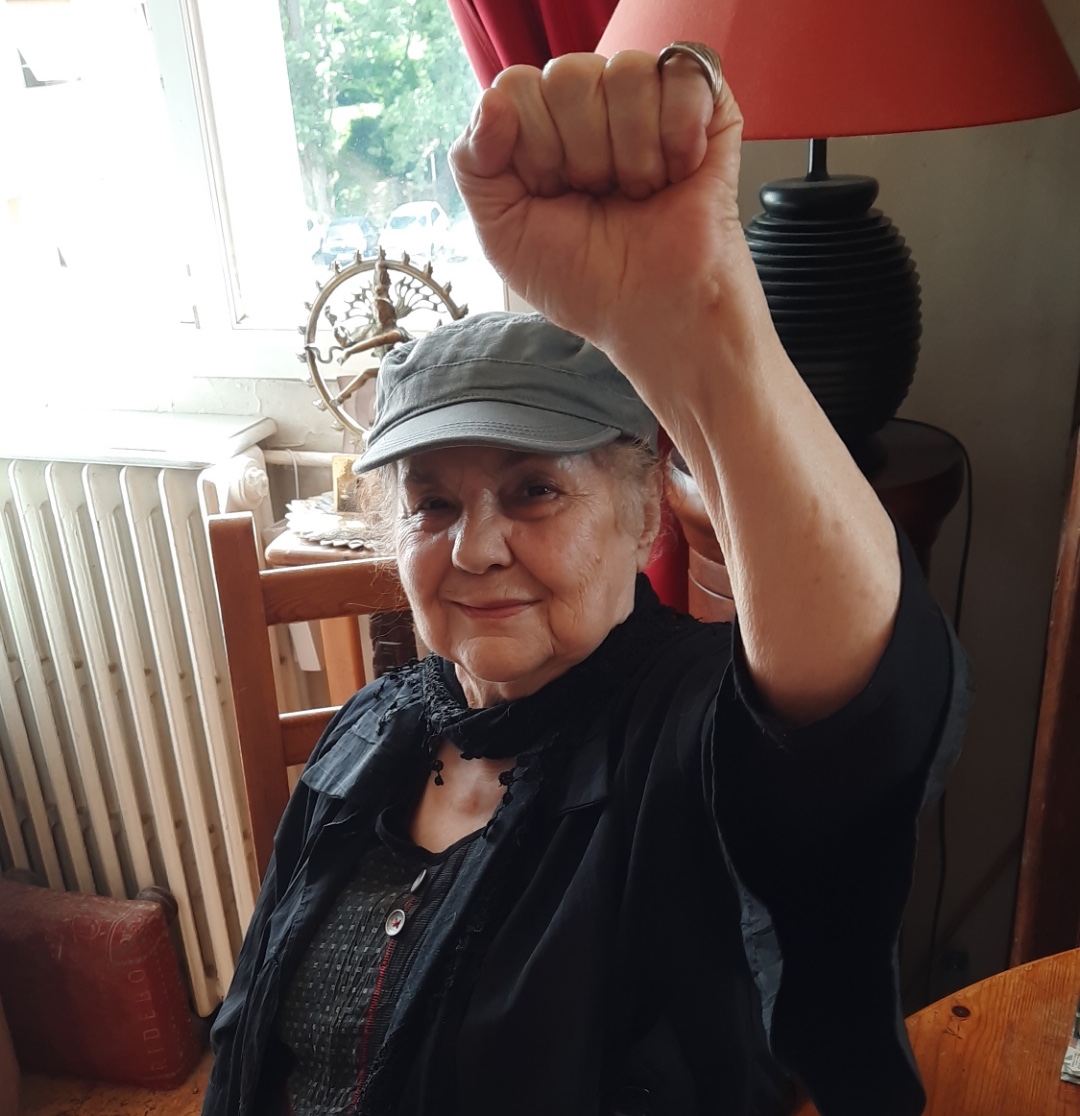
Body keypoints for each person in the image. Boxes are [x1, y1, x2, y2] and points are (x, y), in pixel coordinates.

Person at [203, 45, 970, 1116]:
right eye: (433, 503)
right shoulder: (370, 733)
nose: (474, 548)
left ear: (644, 507)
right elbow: (249, 1038)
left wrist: (708, 319)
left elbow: (862, 715)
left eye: (534, 492)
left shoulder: (692, 737)